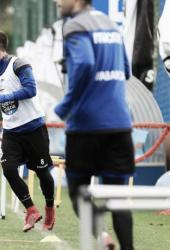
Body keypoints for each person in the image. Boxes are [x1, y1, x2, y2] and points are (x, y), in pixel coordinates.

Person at [52, 0, 135, 249]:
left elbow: (85, 64)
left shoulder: (74, 25)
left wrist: (64, 106)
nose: (56, 2)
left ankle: (102, 237)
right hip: (120, 124)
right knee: (118, 199)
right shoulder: (111, 24)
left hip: (86, 126)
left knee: (79, 192)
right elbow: (126, 70)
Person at [0, 30, 55, 232]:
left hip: (34, 129)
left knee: (43, 173)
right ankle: (31, 210)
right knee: (9, 169)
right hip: (11, 133)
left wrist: (1, 98)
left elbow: (31, 90)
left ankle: (49, 210)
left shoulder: (19, 64)